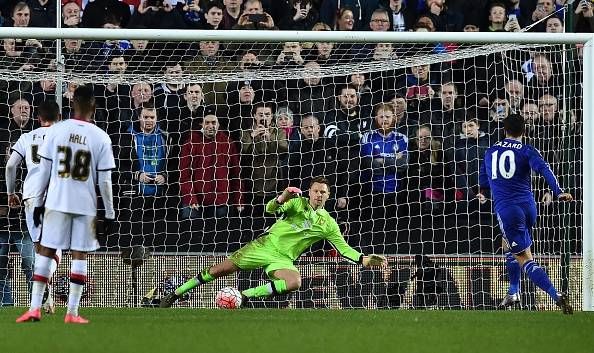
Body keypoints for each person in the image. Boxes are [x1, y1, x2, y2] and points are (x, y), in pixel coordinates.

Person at [159, 177, 387, 307]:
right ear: (309, 192)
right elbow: (270, 209)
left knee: (294, 282)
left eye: (323, 192)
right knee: (218, 270)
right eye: (316, 191)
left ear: (328, 196)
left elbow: (343, 248)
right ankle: (177, 293)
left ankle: (244, 296)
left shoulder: (328, 224)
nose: (319, 195)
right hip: (264, 246)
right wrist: (283, 196)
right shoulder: (296, 204)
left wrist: (363, 259)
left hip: (283, 258)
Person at [16, 85, 116, 324]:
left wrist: (38, 201)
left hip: (56, 201)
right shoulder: (101, 137)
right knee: (79, 256)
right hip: (84, 205)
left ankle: (34, 308)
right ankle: (71, 313)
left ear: (73, 105)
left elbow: (44, 171)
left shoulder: (57, 131)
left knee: (46, 251)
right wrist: (110, 213)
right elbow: (105, 180)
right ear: (94, 106)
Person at [476, 114, 573, 314]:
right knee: (507, 242)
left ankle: (556, 295)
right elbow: (545, 169)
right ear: (524, 131)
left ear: (504, 130)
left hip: (508, 210)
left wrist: (483, 193)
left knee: (524, 258)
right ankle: (513, 291)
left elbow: (484, 182)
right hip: (529, 208)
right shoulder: (528, 149)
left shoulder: (490, 151)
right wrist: (558, 191)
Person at [5, 100, 61, 313]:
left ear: (38, 118)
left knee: (40, 248)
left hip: (31, 196)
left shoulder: (27, 137)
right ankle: (45, 281)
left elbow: (11, 165)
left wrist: (11, 193)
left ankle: (42, 298)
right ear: (59, 118)